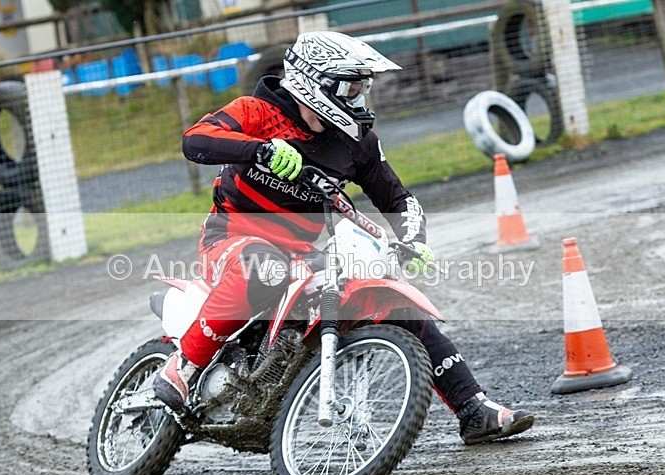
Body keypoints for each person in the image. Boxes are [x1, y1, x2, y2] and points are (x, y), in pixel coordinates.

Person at [155, 31, 534, 445]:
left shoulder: (356, 143)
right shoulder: (256, 111)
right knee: (265, 268)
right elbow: (194, 139)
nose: (358, 99)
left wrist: (413, 238)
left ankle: (473, 409)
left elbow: (398, 198)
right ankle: (183, 366)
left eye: (362, 89)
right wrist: (259, 150)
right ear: (316, 83)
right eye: (351, 87)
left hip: (302, 252)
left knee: (394, 301)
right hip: (230, 236)